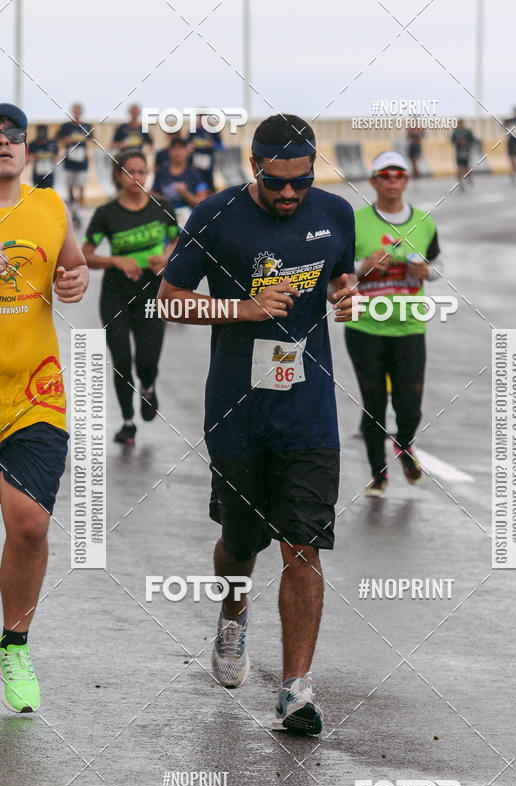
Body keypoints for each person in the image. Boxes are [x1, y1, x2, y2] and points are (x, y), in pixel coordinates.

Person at [158, 114, 357, 736]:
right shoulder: (214, 215)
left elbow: (339, 275)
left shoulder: (337, 213)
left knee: (304, 543)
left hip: (309, 410)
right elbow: (168, 298)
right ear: (254, 168)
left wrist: (345, 294)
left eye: (301, 181)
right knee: (242, 542)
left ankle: (296, 690)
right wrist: (242, 307)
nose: (291, 194)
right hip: (238, 409)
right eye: (277, 184)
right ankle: (233, 612)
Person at [0, 102, 88, 713]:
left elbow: (73, 266)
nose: (2, 144)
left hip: (36, 389)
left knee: (29, 522)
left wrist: (74, 281)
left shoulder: (51, 206)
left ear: (26, 148)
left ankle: (15, 645)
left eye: (12, 136)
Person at [345, 151, 442, 497]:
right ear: (373, 181)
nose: (391, 180)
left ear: (406, 180)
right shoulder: (355, 222)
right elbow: (337, 274)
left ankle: (404, 443)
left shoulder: (424, 222)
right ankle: (378, 474)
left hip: (409, 328)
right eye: (384, 175)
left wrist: (426, 271)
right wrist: (363, 265)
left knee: (409, 404)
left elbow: (438, 266)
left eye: (398, 174)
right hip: (365, 328)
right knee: (373, 403)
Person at [83, 149, 179, 445]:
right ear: (117, 175)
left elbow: (177, 239)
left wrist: (165, 256)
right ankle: (127, 423)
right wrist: (116, 261)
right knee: (121, 359)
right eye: (129, 172)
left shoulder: (161, 207)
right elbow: (86, 254)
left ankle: (148, 387)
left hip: (152, 292)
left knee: (146, 360)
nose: (136, 177)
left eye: (141, 171)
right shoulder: (106, 214)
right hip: (116, 293)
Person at [56, 103, 93, 228]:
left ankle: (80, 210)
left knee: (81, 186)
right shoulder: (66, 126)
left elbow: (93, 139)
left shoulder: (87, 126)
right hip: (69, 160)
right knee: (70, 186)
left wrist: (84, 140)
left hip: (82, 161)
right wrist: (66, 140)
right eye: (75, 111)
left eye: (79, 111)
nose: (77, 113)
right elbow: (56, 138)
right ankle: (72, 208)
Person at [187, 115, 223, 191]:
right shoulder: (193, 131)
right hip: (195, 161)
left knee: (209, 182)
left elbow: (221, 146)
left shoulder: (213, 131)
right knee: (196, 180)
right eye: (201, 118)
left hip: (208, 162)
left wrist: (212, 144)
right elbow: (186, 144)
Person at [28, 124, 59, 190]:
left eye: (43, 132)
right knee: (37, 191)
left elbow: (57, 157)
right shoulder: (33, 144)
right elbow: (29, 159)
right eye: (40, 132)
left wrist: (50, 156)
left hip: (49, 172)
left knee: (49, 191)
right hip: (37, 173)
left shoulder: (52, 143)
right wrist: (36, 156)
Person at [451, 118, 475, 190]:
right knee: (459, 168)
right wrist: (459, 143)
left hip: (466, 151)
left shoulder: (467, 131)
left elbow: (472, 140)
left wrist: (466, 143)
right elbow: (452, 141)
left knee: (466, 167)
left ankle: (469, 177)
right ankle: (461, 182)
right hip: (459, 152)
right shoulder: (455, 132)